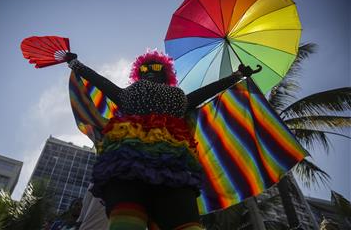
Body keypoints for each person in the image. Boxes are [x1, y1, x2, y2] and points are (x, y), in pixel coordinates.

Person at [65, 50, 260, 230]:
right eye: (144, 68)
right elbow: (104, 84)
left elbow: (202, 94)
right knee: (126, 220)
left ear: (166, 73)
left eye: (156, 67)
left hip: (171, 164)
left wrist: (236, 76)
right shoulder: (131, 93)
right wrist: (76, 64)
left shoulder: (178, 97)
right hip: (129, 160)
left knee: (183, 223)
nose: (149, 71)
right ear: (138, 73)